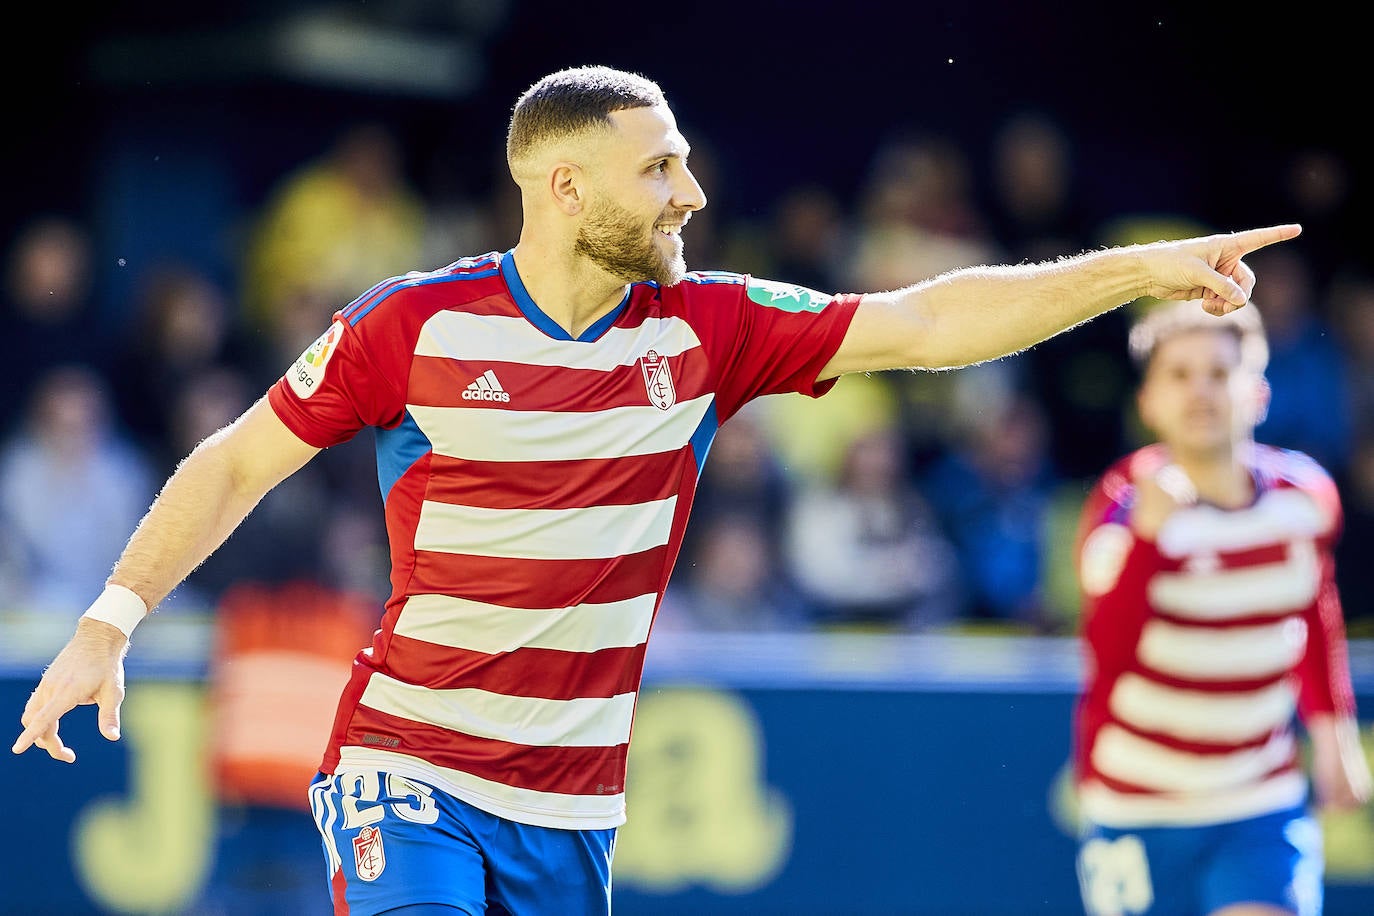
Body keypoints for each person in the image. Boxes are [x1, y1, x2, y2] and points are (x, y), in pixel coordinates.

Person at [12, 64, 1304, 915]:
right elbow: (236, 457)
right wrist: (109, 621)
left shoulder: (709, 327)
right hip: (408, 761)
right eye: (660, 169)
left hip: (574, 806)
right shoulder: (411, 325)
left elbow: (928, 322)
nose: (692, 191)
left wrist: (1140, 271)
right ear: (564, 186)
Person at [1071, 299, 1372, 916]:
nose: (1200, 391)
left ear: (1258, 394)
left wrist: (1333, 734)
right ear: (1148, 402)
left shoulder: (1304, 498)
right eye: (1180, 374)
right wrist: (1150, 541)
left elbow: (1311, 608)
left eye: (1219, 372)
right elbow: (1107, 653)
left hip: (1258, 798)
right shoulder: (1120, 509)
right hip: (1137, 803)